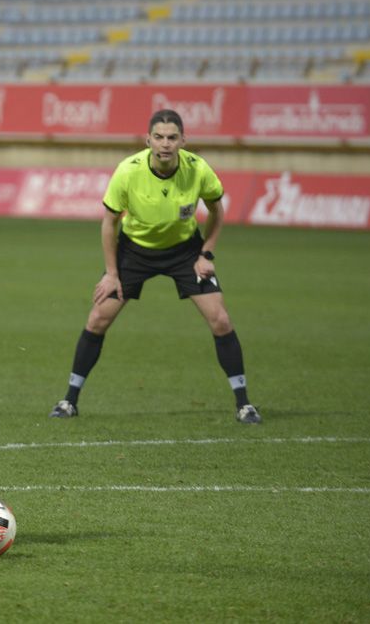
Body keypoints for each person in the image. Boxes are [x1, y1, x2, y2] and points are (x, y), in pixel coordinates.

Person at [49, 109, 262, 424]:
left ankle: (244, 404)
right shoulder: (127, 172)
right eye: (159, 137)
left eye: (172, 138)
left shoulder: (198, 169)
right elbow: (109, 223)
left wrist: (207, 253)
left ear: (183, 141)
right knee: (97, 319)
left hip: (185, 252)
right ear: (148, 140)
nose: (165, 144)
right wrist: (111, 273)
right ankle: (69, 401)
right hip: (134, 252)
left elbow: (217, 211)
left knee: (220, 320)